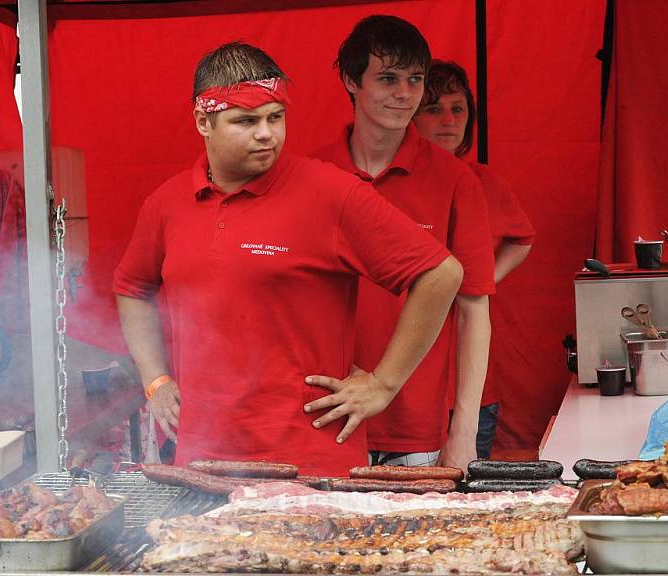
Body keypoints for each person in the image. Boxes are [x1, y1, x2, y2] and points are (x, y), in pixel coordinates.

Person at [113, 42, 463, 476]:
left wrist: (383, 384)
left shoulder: (332, 193)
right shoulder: (167, 203)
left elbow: (441, 273)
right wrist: (156, 381)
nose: (267, 133)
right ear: (204, 121)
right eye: (246, 121)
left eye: (275, 117)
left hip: (311, 466)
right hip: (203, 462)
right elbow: (131, 288)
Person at [313, 17, 495, 473]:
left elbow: (474, 313)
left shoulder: (455, 179)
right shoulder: (310, 175)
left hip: (414, 430)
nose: (404, 93)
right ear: (352, 81)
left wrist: (464, 433)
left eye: (414, 80)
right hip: (321, 414)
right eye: (388, 78)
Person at [413, 59, 535, 459]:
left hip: (471, 387)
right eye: (433, 109)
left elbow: (522, 238)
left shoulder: (483, 182)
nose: (448, 119)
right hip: (406, 388)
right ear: (409, 114)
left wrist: (482, 281)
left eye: (458, 108)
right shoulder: (390, 183)